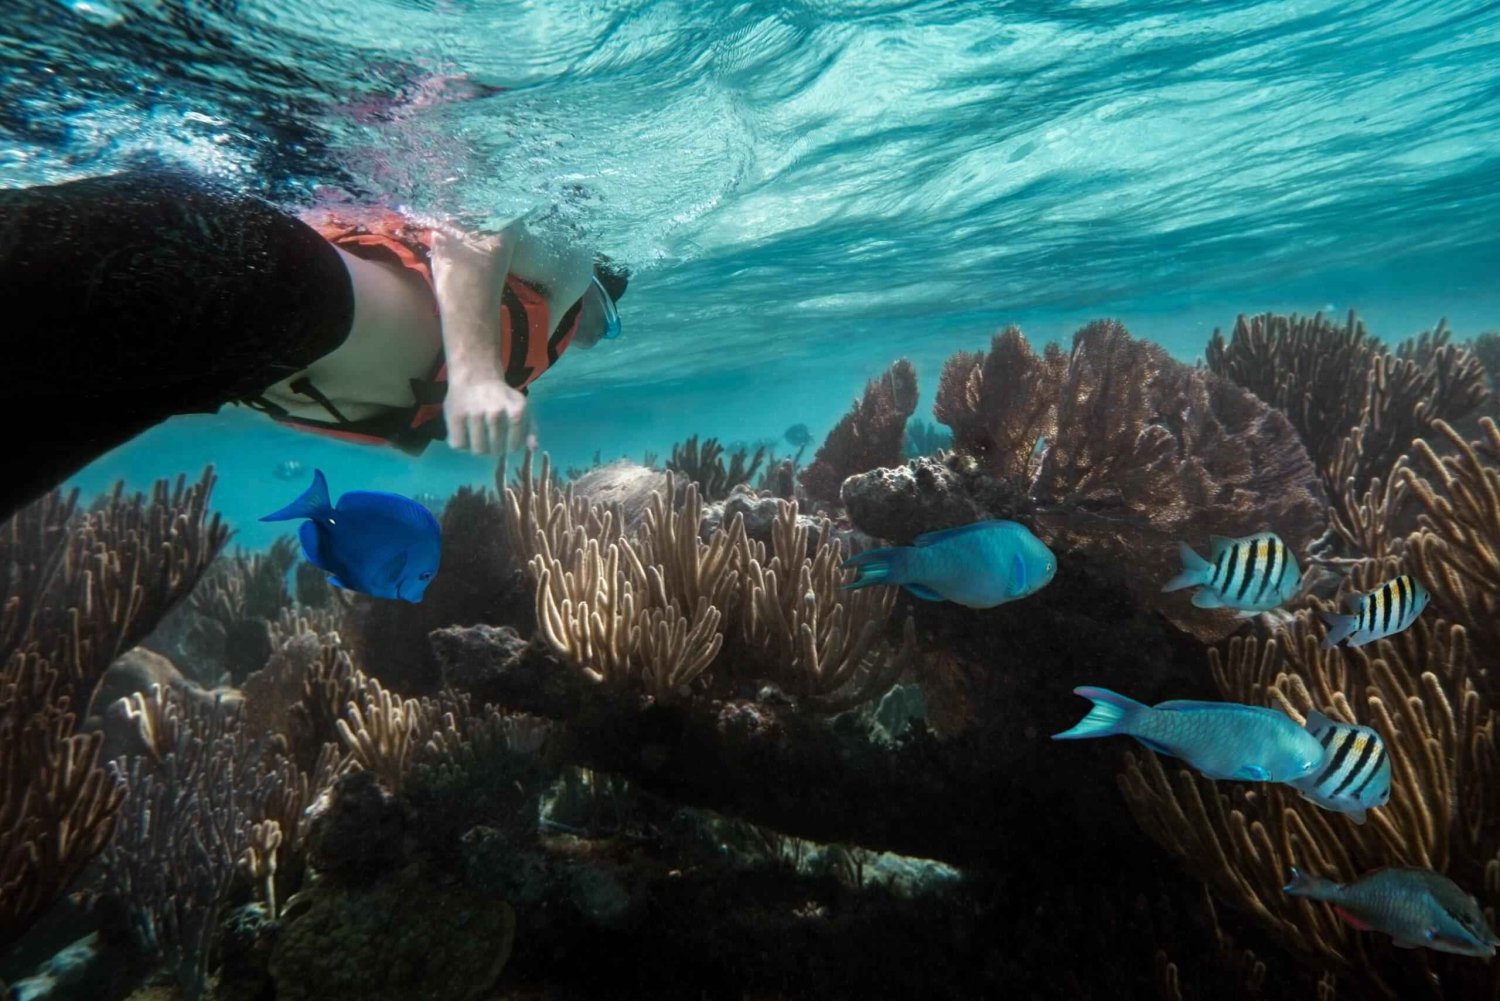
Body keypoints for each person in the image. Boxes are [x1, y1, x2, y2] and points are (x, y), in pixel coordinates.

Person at [0, 166, 626, 522]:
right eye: (606, 324)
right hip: (244, 269)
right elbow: (481, 221)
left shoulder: (532, 338)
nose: (590, 340)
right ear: (595, 294)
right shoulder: (568, 279)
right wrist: (475, 373)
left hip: (212, 366)